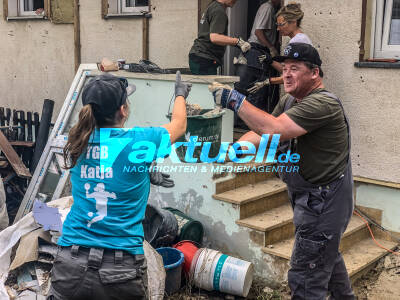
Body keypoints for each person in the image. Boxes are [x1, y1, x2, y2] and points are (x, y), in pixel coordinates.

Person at [210, 43, 355, 299]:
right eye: (284, 68)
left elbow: (274, 130)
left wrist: (235, 101)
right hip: (310, 198)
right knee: (325, 259)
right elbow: (261, 131)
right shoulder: (290, 100)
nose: (286, 74)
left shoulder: (322, 103)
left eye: (295, 68)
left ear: (314, 73)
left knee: (306, 276)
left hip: (324, 202)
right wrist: (234, 149)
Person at [48, 72, 191, 300]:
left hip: (70, 264)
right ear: (123, 110)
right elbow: (179, 124)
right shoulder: (140, 141)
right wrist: (180, 95)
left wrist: (142, 171)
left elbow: (104, 172)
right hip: (120, 269)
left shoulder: (75, 141)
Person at [247, 2, 312, 95]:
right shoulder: (297, 40)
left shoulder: (298, 42)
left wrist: (267, 81)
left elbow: (292, 76)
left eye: (281, 24)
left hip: (303, 93)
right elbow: (286, 70)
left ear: (294, 22)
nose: (278, 29)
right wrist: (270, 61)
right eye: (277, 25)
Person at [234, 0, 282, 115]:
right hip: (257, 50)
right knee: (256, 90)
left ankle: (241, 123)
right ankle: (246, 125)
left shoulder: (268, 8)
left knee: (247, 88)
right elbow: (258, 32)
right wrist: (271, 48)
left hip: (254, 51)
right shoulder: (268, 8)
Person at [189, 0, 251, 75]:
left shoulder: (213, 6)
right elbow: (215, 37)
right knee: (209, 86)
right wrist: (238, 42)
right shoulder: (218, 10)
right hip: (205, 58)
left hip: (200, 56)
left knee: (206, 86)